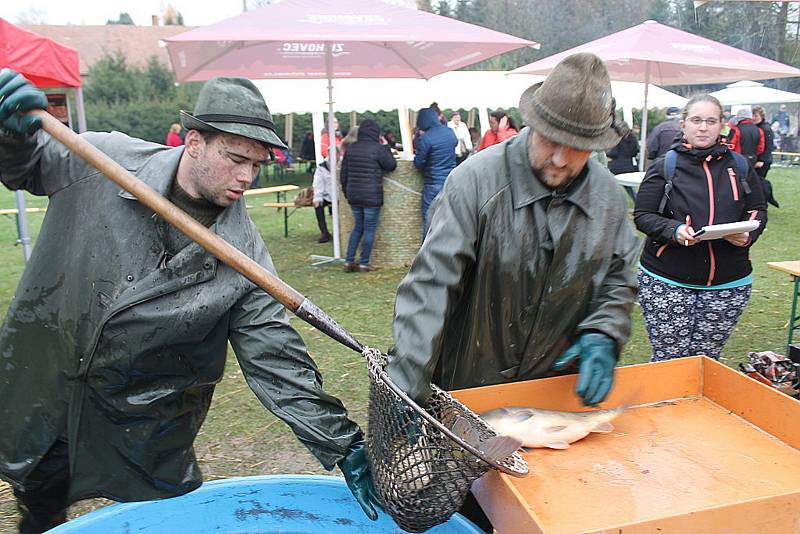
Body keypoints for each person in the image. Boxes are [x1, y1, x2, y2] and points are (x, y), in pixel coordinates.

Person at [0, 70, 380, 533]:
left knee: (143, 518)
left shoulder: (246, 258)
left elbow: (275, 359)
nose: (246, 177)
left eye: (256, 165)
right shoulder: (104, 159)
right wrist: (10, 134)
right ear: (194, 141)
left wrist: (345, 447)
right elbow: (24, 167)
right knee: (39, 498)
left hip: (138, 416)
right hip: (46, 380)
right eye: (236, 159)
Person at [387, 53, 638, 532]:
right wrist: (407, 391)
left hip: (548, 403)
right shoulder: (475, 182)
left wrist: (604, 333)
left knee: (539, 515)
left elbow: (619, 277)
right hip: (468, 397)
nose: (561, 159)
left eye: (578, 147)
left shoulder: (606, 197)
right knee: (463, 515)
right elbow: (430, 290)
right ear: (531, 121)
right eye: (552, 141)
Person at [633, 94, 767, 362]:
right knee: (670, 361)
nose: (703, 127)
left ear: (722, 126)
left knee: (705, 362)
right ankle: (666, 404)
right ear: (683, 124)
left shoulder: (740, 165)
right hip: (667, 280)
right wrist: (674, 230)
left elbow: (758, 209)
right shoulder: (665, 165)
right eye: (696, 120)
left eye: (710, 121)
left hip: (729, 283)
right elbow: (643, 215)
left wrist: (748, 235)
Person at [340, 119, 397, 272]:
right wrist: (385, 146)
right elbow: (391, 165)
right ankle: (364, 262)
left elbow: (343, 174)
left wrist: (347, 192)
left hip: (354, 195)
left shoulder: (351, 148)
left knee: (358, 227)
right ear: (376, 133)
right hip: (372, 195)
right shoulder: (378, 149)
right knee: (369, 228)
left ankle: (349, 260)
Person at [413, 106, 457, 232]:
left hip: (432, 184)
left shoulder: (426, 138)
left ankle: (427, 250)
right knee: (447, 219)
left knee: (429, 220)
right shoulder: (450, 133)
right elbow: (454, 145)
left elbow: (418, 163)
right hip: (450, 183)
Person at [752, 105, 779, 208]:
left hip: (763, 161)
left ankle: (763, 204)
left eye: (756, 115)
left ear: (761, 116)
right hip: (757, 159)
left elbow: (769, 146)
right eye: (753, 115)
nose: (754, 117)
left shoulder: (766, 128)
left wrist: (762, 160)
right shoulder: (756, 127)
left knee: (760, 184)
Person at [312, 159, 333, 243]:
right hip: (327, 195)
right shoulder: (321, 167)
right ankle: (324, 233)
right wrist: (317, 197)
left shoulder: (342, 163)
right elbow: (318, 183)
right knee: (318, 205)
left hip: (340, 196)